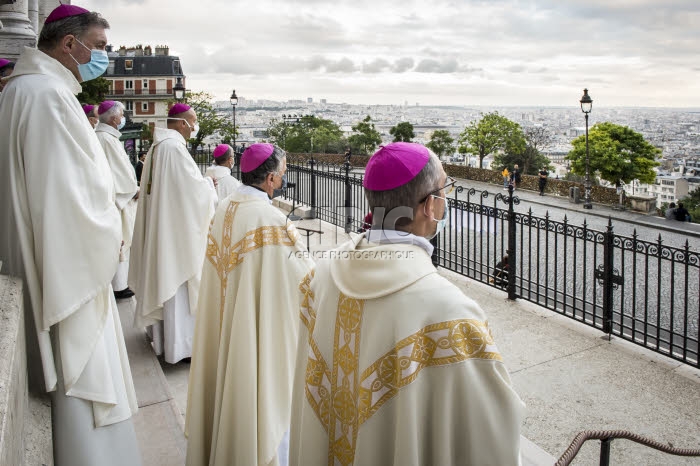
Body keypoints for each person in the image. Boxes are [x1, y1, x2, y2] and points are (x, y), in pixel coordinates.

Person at [289, 142, 524, 466]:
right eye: (445, 189)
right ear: (429, 207)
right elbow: (492, 432)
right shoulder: (450, 312)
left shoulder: (321, 275)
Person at [0, 5, 142, 466]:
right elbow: (65, 197)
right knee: (83, 372)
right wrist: (108, 235)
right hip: (69, 267)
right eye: (98, 47)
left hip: (52, 253)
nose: (103, 56)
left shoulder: (27, 89)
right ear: (69, 44)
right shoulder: (47, 96)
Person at [185, 143, 314, 466]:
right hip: (256, 330)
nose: (283, 180)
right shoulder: (271, 219)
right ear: (270, 179)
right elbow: (306, 278)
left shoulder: (227, 205)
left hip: (226, 319)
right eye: (282, 174)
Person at [129, 103, 218, 364]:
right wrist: (208, 185)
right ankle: (182, 348)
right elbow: (191, 192)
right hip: (177, 234)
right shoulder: (173, 148)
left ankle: (167, 342)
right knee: (179, 285)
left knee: (168, 281)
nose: (195, 127)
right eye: (193, 121)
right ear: (181, 122)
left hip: (167, 226)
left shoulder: (159, 146)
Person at [95, 100, 139, 300]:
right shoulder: (106, 138)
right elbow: (118, 172)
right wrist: (133, 190)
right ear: (113, 118)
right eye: (121, 115)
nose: (122, 119)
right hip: (118, 198)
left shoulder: (106, 137)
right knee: (121, 241)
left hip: (117, 197)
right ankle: (118, 286)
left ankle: (121, 283)